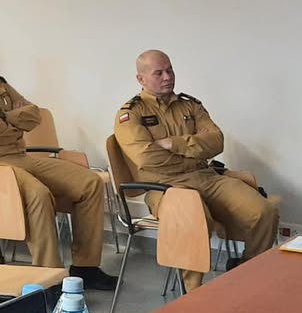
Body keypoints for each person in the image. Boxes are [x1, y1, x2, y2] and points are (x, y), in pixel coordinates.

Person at [0, 26, 116, 289]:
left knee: (89, 183)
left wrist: (2, 119)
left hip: (18, 157)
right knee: (37, 194)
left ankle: (86, 267)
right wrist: (14, 119)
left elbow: (34, 115)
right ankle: (49, 278)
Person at [113, 50, 278, 290]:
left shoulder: (190, 106)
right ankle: (193, 293)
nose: (167, 77)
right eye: (158, 73)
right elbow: (146, 157)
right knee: (195, 218)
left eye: (169, 70)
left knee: (263, 211)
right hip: (165, 186)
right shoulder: (130, 114)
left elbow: (217, 142)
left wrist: (174, 144)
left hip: (206, 177)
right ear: (141, 79)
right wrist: (195, 147)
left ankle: (248, 272)